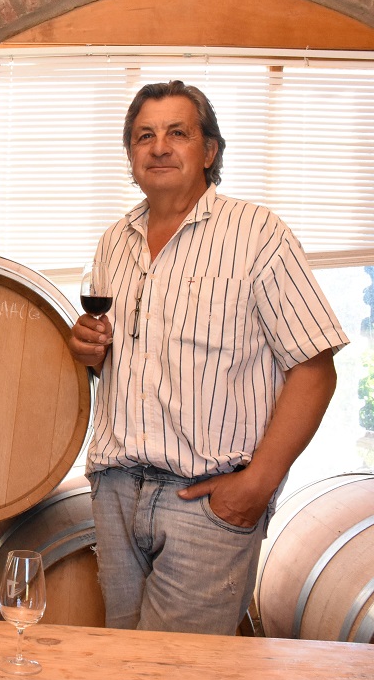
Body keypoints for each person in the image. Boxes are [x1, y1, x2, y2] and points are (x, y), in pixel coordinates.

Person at [67, 80, 348, 635]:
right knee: (124, 671)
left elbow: (314, 370)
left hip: (206, 499)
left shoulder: (258, 235)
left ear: (209, 151)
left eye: (178, 133)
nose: (159, 147)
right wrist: (88, 350)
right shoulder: (113, 242)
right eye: (144, 135)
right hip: (117, 492)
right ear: (130, 154)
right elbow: (128, 361)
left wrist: (257, 484)